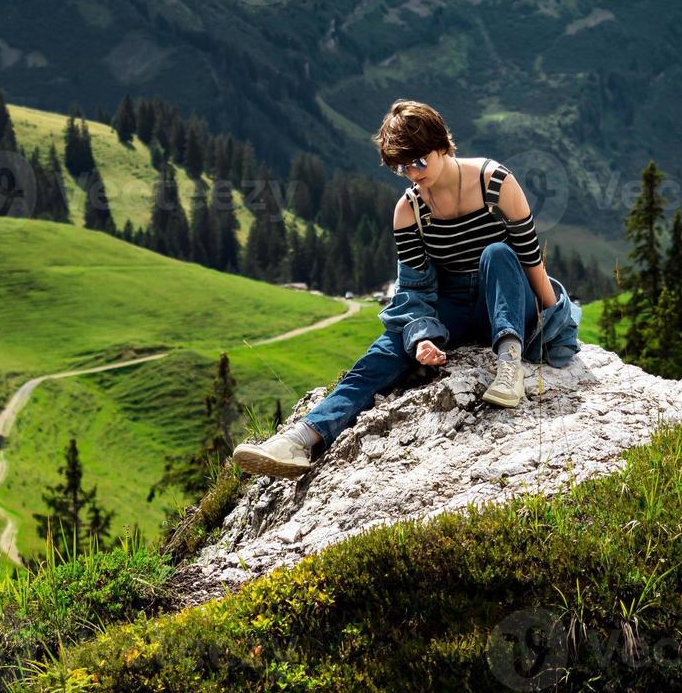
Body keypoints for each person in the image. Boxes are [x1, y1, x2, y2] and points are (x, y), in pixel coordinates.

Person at [233, 99, 565, 479]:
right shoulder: (408, 211)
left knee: (498, 253)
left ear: (442, 145)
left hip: (506, 296)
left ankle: (509, 369)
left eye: (419, 162)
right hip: (453, 305)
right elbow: (413, 290)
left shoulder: (496, 183)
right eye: (400, 167)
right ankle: (301, 439)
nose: (412, 173)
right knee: (386, 349)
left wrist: (552, 319)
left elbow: (529, 256)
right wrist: (421, 336)